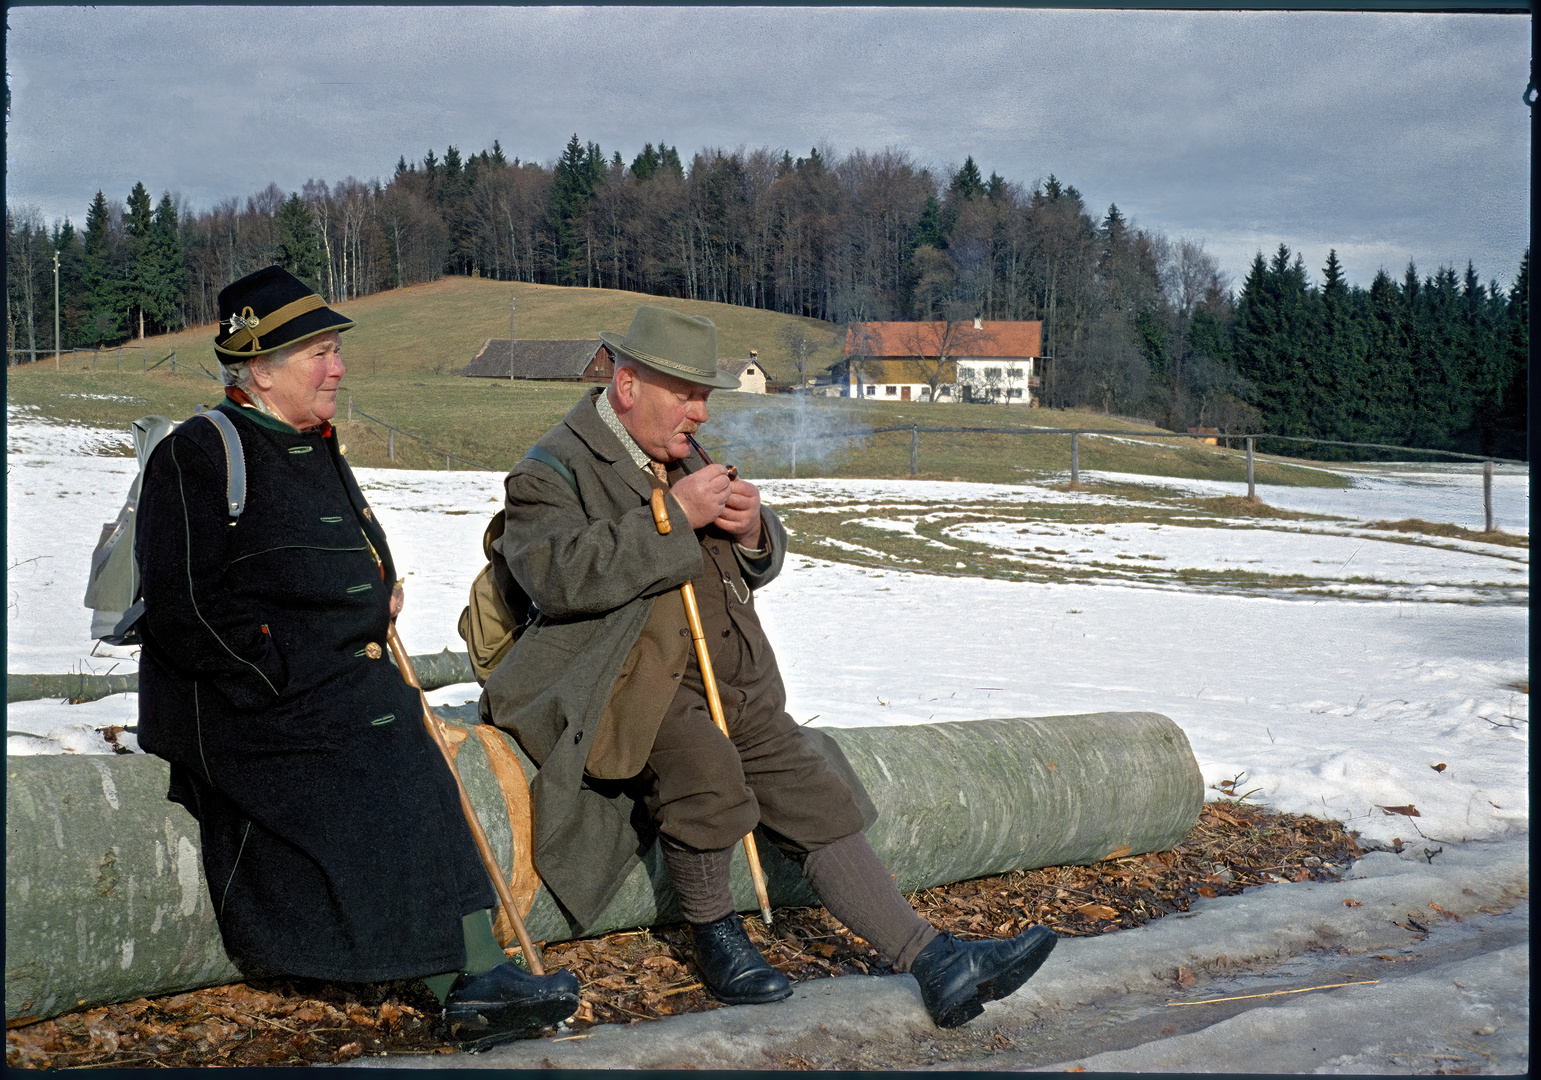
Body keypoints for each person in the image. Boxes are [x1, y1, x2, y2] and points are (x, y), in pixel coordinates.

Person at [485, 304, 1056, 1028]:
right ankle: (717, 941)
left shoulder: (680, 453)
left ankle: (937, 962)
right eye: (685, 393)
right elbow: (554, 577)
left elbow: (748, 563)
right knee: (706, 775)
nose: (700, 411)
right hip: (628, 688)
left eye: (707, 396)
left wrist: (755, 530)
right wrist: (668, 518)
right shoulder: (551, 468)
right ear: (626, 384)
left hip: (736, 684)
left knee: (813, 792)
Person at [134, 266, 578, 1050]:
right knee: (370, 754)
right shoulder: (199, 453)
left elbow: (338, 560)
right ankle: (461, 980)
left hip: (327, 679)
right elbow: (190, 607)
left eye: (336, 350)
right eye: (320, 354)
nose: (338, 368)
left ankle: (477, 969)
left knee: (407, 738)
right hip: (237, 699)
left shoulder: (312, 442)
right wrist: (277, 676)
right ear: (261, 368)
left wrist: (374, 601)